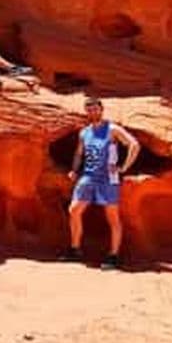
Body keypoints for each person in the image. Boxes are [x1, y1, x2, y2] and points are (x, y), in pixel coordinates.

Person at [58, 96, 140, 270]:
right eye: (89, 110)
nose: (92, 112)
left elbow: (134, 145)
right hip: (88, 176)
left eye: (95, 109)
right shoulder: (84, 132)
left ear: (101, 110)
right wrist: (74, 170)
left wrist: (124, 167)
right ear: (86, 112)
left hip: (108, 178)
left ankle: (113, 256)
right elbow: (79, 153)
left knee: (112, 216)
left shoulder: (112, 129)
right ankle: (75, 249)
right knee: (74, 210)